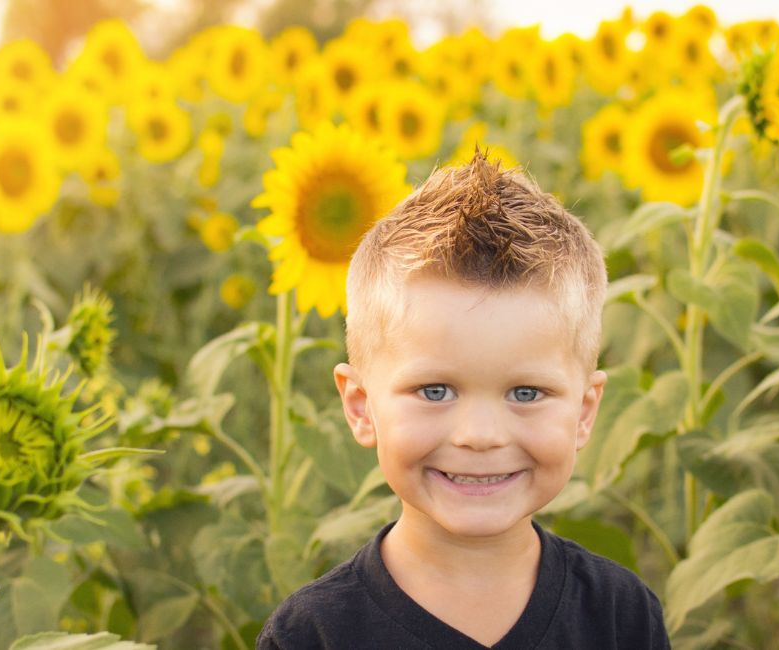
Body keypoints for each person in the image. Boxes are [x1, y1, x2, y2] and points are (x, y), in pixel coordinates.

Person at [257, 152, 669, 649]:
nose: (479, 435)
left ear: (583, 412)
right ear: (362, 407)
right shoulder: (314, 634)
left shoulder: (620, 617)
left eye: (526, 393)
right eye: (435, 391)